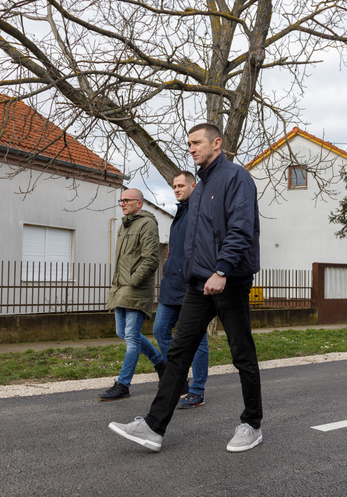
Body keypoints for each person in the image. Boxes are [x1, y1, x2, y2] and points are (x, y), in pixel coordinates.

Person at [109, 122, 263, 453]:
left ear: (216, 143)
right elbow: (194, 240)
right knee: (179, 353)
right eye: (189, 144)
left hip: (229, 280)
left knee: (241, 353)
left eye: (197, 142)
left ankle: (252, 424)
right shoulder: (201, 186)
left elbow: (241, 229)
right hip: (199, 284)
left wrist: (222, 270)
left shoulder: (236, 178)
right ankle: (153, 427)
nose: (191, 148)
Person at [99, 188, 166, 401]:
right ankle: (160, 363)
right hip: (121, 287)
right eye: (121, 200)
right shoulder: (124, 225)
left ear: (139, 203)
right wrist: (119, 284)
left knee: (131, 337)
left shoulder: (147, 224)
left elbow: (151, 259)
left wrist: (133, 281)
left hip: (135, 288)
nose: (122, 203)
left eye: (127, 200)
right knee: (123, 332)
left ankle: (123, 384)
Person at [153, 170, 210, 409]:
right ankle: (180, 379)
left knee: (198, 341)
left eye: (180, 186)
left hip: (191, 286)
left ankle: (197, 391)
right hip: (171, 286)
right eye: (174, 186)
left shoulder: (201, 209)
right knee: (160, 330)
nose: (176, 189)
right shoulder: (181, 211)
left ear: (193, 186)